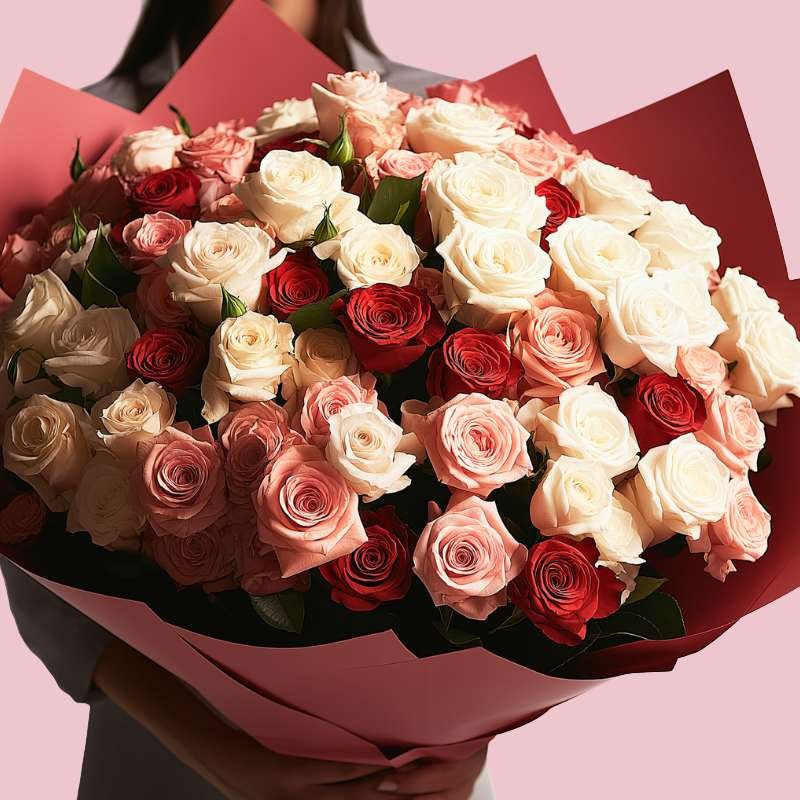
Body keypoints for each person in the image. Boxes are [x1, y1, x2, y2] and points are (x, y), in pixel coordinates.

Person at [1, 2, 495, 798]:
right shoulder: (90, 137)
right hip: (167, 754)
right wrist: (215, 747)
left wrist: (464, 742)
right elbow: (16, 490)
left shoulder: (437, 117)